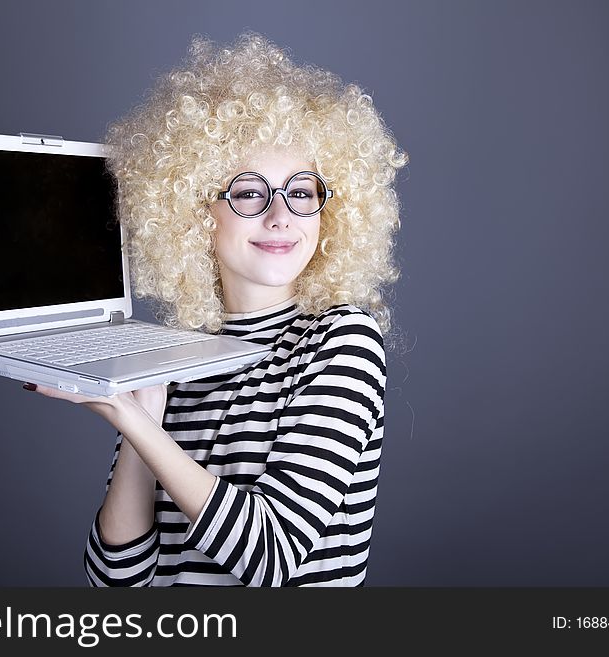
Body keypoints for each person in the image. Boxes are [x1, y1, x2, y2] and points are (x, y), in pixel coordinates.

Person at [26, 32, 407, 586]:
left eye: (301, 192)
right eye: (248, 193)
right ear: (193, 211)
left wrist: (133, 422)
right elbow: (115, 579)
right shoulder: (173, 353)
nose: (281, 215)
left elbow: (271, 557)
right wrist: (143, 423)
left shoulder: (343, 340)